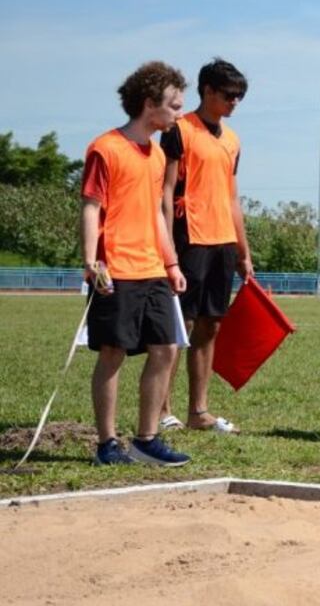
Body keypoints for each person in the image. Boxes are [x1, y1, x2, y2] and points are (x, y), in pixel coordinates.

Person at [80, 61, 191, 466]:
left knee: (166, 349)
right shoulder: (105, 148)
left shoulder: (159, 154)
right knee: (112, 354)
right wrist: (91, 261)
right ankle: (107, 444)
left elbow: (158, 215)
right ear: (150, 104)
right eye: (174, 106)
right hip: (116, 270)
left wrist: (172, 263)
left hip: (153, 269)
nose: (179, 114)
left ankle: (147, 439)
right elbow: (92, 207)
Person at [160, 58, 254, 434]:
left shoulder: (232, 140)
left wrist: (243, 253)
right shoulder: (179, 131)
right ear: (207, 91)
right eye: (229, 95)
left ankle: (198, 411)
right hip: (188, 238)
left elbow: (232, 199)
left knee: (211, 326)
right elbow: (165, 191)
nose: (234, 103)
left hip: (223, 242)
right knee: (179, 325)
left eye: (240, 97)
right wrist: (166, 247)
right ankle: (164, 410)